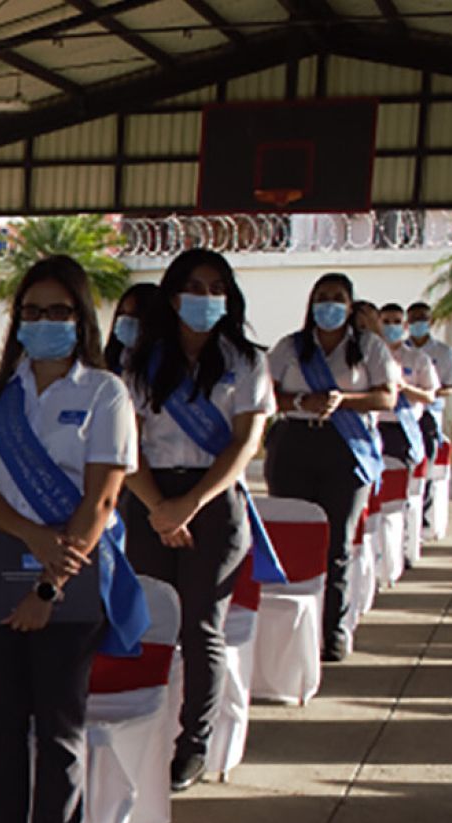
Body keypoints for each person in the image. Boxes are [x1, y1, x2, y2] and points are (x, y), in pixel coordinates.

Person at [0, 254, 144, 823]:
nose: (44, 323)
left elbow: (101, 502)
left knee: (59, 722)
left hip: (73, 570)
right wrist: (30, 537)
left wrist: (47, 587)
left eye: (58, 311)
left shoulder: (104, 393)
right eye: (31, 312)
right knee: (2, 720)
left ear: (81, 319)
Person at [122, 249, 280, 792]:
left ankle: (194, 743)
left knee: (200, 628)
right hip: (148, 498)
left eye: (216, 287)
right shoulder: (141, 361)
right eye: (194, 285)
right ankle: (144, 729)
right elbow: (127, 447)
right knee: (149, 623)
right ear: (172, 295)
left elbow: (244, 444)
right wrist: (157, 507)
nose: (204, 297)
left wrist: (188, 505)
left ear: (229, 298)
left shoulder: (247, 360)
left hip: (213, 502)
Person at [264, 275, 399, 662]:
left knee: (337, 544)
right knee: (291, 535)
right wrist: (304, 400)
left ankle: (332, 631)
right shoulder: (291, 346)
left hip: (347, 447)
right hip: (294, 445)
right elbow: (266, 392)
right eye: (322, 298)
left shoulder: (369, 346)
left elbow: (387, 396)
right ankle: (290, 634)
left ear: (350, 304)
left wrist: (343, 402)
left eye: (337, 299)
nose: (328, 305)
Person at [407, 301, 452, 531]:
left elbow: (451, 386)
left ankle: (421, 520)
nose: (419, 322)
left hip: (428, 415)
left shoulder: (443, 352)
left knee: (424, 469)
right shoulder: (399, 351)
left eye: (423, 318)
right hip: (403, 415)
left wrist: (426, 391)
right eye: (414, 318)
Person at [370, 304, 438, 474]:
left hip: (403, 427)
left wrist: (404, 387)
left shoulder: (418, 358)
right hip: (374, 425)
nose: (391, 326)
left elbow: (430, 396)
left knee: (399, 484)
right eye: (386, 322)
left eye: (396, 322)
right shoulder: (368, 356)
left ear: (405, 326)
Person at [105, 282, 168, 375]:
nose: (125, 321)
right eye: (122, 314)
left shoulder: (162, 362)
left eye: (134, 315)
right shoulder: (114, 358)